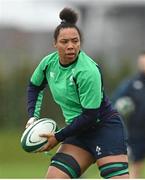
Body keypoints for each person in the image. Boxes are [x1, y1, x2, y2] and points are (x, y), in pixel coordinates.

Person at [25, 7, 129, 179]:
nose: (71, 46)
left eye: (75, 41)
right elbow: (34, 87)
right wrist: (32, 117)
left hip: (104, 129)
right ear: (55, 43)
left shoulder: (87, 71)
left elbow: (90, 115)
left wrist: (58, 137)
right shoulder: (48, 64)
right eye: (65, 42)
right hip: (78, 132)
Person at [112, 51, 145, 178]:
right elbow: (115, 102)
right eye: (142, 62)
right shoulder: (131, 84)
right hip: (136, 133)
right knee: (135, 165)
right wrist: (121, 107)